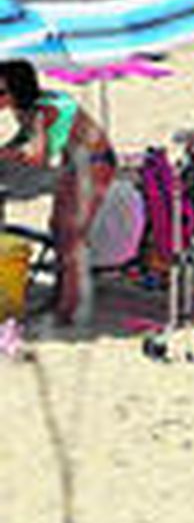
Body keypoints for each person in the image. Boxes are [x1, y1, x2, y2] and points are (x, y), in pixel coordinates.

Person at [0, 59, 116, 325]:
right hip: (75, 165)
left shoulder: (44, 110)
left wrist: (5, 153)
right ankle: (62, 298)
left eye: (1, 92)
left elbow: (37, 156)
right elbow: (25, 143)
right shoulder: (30, 108)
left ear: (18, 89)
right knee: (59, 230)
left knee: (70, 237)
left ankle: (69, 309)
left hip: (94, 165)